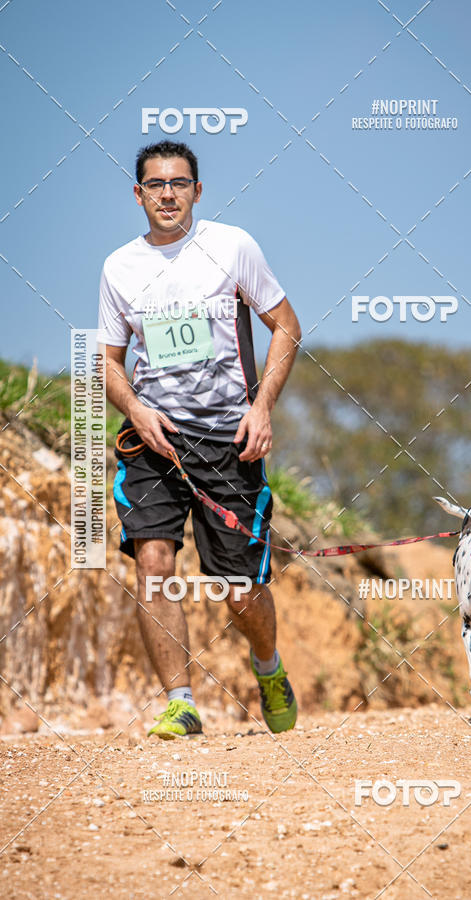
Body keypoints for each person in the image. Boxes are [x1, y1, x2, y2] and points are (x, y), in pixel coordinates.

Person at [98, 140, 301, 739]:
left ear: (197, 191)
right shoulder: (119, 267)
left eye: (179, 183)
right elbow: (109, 360)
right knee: (154, 564)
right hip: (152, 441)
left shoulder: (232, 247)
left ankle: (268, 669)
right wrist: (134, 409)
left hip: (227, 442)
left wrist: (262, 407)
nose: (167, 194)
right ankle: (181, 703)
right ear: (138, 194)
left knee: (238, 592)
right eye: (155, 184)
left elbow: (286, 326)